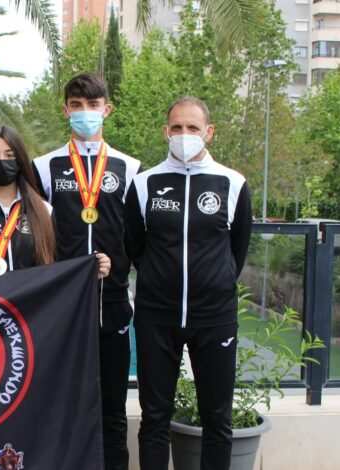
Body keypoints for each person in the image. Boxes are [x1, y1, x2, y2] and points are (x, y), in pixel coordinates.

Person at [124, 96, 252, 470]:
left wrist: (214, 282)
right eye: (177, 127)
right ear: (166, 132)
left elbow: (238, 249)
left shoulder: (233, 183)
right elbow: (135, 246)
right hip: (156, 317)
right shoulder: (144, 184)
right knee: (154, 417)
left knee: (217, 417)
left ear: (209, 132)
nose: (184, 134)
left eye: (192, 127)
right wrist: (158, 280)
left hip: (214, 318)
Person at [31, 73, 141, 470]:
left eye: (93, 105)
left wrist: (117, 265)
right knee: (61, 404)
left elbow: (136, 237)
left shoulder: (131, 168)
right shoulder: (44, 167)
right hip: (62, 307)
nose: (85, 113)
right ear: (65, 110)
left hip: (112, 304)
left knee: (112, 408)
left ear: (107, 109)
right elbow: (36, 234)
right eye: (76, 105)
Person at [0, 124, 111, 278]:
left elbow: (58, 266)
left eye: (9, 155)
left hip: (28, 297)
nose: (1, 161)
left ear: (20, 159)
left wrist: (91, 267)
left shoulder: (43, 210)